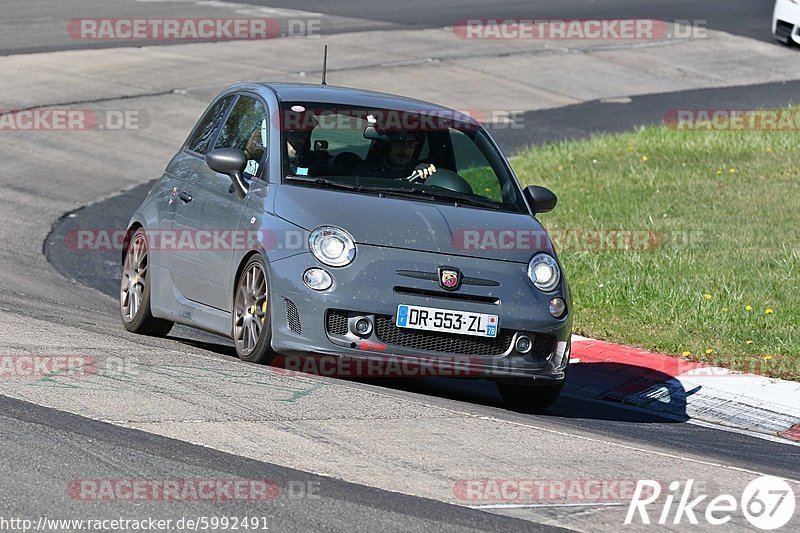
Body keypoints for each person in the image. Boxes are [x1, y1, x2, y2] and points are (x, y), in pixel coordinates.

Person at [356, 131, 437, 181]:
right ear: (389, 145)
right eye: (399, 143)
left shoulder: (420, 171)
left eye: (411, 144)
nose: (405, 149)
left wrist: (429, 175)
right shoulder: (368, 171)